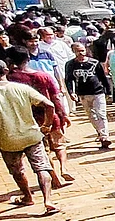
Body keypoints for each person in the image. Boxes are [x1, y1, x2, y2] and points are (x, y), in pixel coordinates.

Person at [0, 58, 58, 214]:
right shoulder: (21, 88)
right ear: (6, 71)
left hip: (7, 139)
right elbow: (49, 105)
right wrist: (47, 125)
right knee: (42, 167)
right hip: (32, 135)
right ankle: (48, 200)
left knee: (17, 171)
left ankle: (27, 196)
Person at [5, 46, 75, 184]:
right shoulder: (43, 76)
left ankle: (54, 178)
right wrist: (63, 114)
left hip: (29, 119)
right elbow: (55, 98)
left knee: (44, 150)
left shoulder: (10, 79)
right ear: (28, 58)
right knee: (59, 145)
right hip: (50, 115)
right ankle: (63, 168)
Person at [64, 43, 112, 147]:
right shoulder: (70, 64)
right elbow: (68, 79)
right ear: (73, 52)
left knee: (101, 114)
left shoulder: (94, 63)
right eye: (78, 51)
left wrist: (108, 91)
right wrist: (71, 92)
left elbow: (103, 77)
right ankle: (100, 131)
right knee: (91, 115)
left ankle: (104, 136)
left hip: (97, 92)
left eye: (82, 50)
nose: (81, 53)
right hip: (83, 94)